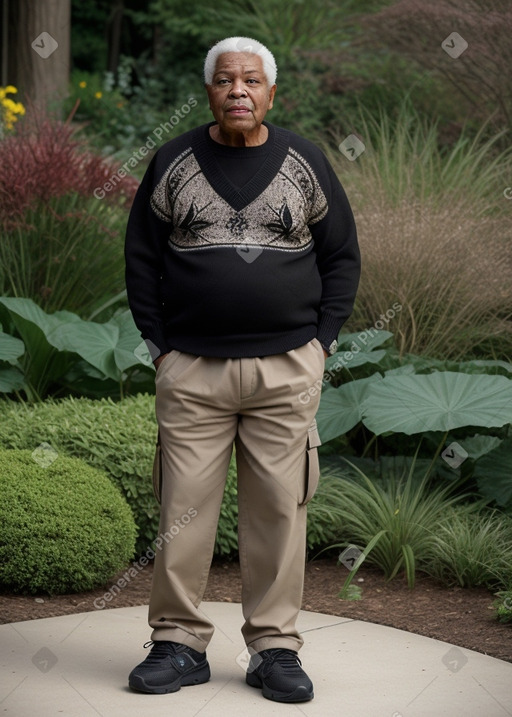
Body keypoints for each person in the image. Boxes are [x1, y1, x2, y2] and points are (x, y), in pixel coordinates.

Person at [124, 35, 360, 704]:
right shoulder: (173, 160)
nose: (238, 90)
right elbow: (140, 256)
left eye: (251, 81)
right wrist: (160, 345)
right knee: (183, 507)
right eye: (226, 80)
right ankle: (175, 642)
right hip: (192, 368)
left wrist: (321, 343)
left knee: (280, 511)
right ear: (208, 91)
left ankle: (274, 649)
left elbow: (342, 255)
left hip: (285, 366)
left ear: (270, 93)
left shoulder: (304, 161)